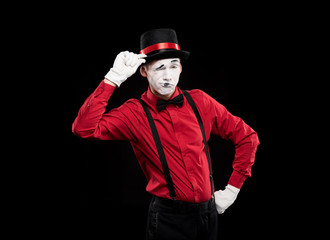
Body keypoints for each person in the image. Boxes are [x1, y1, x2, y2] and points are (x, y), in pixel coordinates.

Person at [72, 28, 259, 240]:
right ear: (144, 71)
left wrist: (233, 189)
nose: (168, 75)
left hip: (208, 215)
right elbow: (83, 129)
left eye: (173, 66)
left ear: (181, 69)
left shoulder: (201, 101)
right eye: (160, 68)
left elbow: (247, 137)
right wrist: (113, 79)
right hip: (168, 218)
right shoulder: (134, 113)